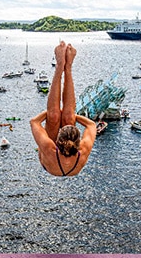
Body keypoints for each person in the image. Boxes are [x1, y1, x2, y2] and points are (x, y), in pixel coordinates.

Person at [31, 41, 96, 177]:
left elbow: (34, 122)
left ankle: (59, 66)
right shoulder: (84, 148)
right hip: (67, 161)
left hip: (51, 163)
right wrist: (71, 115)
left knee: (54, 116)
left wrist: (53, 113)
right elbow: (91, 125)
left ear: (57, 141)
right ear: (78, 143)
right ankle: (68, 67)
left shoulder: (49, 148)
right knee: (68, 117)